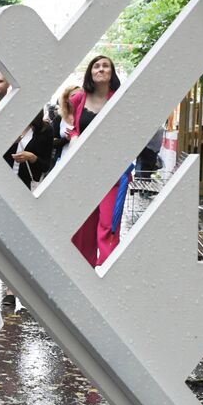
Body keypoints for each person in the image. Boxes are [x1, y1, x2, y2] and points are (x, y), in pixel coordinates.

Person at [67, 55, 123, 266]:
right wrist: (73, 138)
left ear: (112, 72)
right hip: (83, 171)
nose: (100, 69)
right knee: (83, 225)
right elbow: (74, 127)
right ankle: (82, 270)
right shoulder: (78, 99)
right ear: (90, 72)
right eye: (96, 66)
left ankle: (106, 270)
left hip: (111, 172)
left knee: (108, 224)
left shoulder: (119, 99)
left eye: (105, 66)